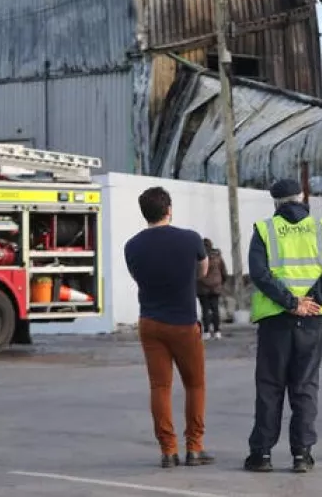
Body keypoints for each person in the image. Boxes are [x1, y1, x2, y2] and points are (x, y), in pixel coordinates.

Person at [244, 178, 322, 474]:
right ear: (302, 198)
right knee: (304, 387)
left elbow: (259, 274)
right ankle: (302, 454)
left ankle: (261, 455)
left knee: (270, 387)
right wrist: (311, 300)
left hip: (276, 319)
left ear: (275, 203)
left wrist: (290, 302)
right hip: (311, 320)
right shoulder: (321, 228)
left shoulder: (265, 230)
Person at [123, 186, 215, 468]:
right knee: (195, 385)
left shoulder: (132, 246)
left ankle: (168, 450)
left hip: (150, 322)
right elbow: (203, 271)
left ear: (144, 213)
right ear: (169, 209)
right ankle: (195, 447)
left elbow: (136, 276)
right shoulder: (190, 239)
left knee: (160, 387)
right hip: (184, 323)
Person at [197, 237, 228, 340]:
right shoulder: (217, 256)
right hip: (215, 287)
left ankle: (206, 332)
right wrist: (221, 282)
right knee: (215, 310)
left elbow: (196, 273)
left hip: (202, 288)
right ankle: (217, 331)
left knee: (205, 310)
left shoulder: (198, 257)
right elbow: (224, 272)